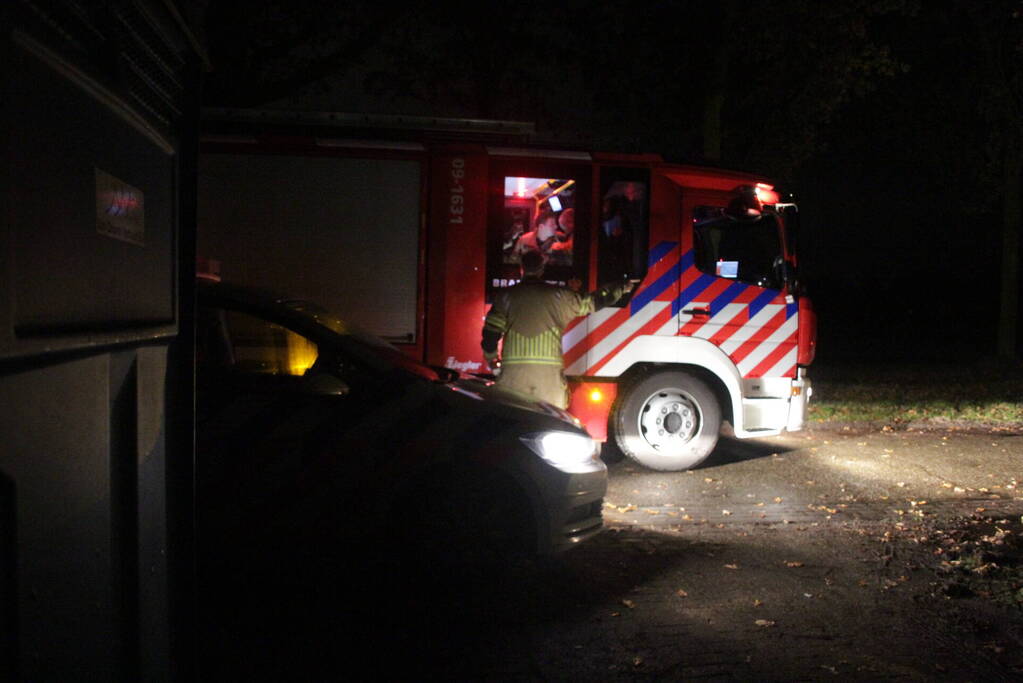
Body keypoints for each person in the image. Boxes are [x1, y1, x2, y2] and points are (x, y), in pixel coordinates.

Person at [481, 250, 633, 409]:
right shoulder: (560, 296)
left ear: (522, 269)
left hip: (512, 382)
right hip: (549, 383)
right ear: (542, 269)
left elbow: (490, 335)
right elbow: (595, 301)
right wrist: (621, 287)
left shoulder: (506, 297)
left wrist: (492, 362)